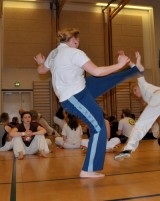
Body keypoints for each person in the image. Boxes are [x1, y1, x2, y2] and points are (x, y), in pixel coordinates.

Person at [34, 28, 143, 178]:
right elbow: (97, 70)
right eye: (77, 42)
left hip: (81, 87)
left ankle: (136, 70)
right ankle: (88, 169)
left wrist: (41, 62)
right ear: (73, 40)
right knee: (98, 127)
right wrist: (119, 65)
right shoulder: (74, 53)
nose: (78, 45)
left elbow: (41, 71)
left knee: (103, 80)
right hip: (75, 97)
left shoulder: (53, 53)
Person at [114, 52, 160, 161]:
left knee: (141, 124)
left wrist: (132, 62)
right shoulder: (147, 95)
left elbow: (139, 70)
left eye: (135, 90)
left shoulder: (143, 84)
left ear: (138, 86)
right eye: (133, 92)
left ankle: (128, 149)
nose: (135, 93)